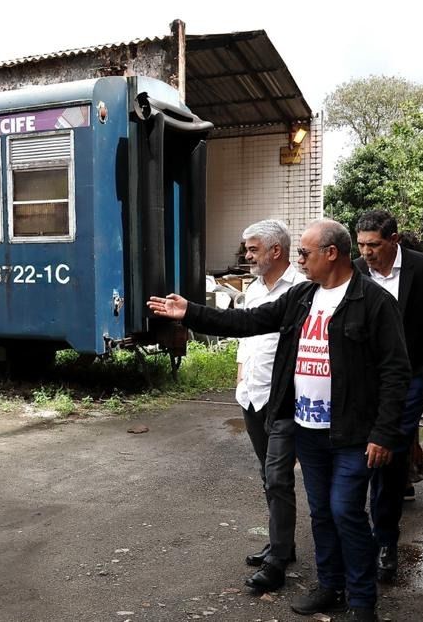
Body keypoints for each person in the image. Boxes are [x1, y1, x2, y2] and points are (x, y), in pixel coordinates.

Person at [147, 219, 409, 621]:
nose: (299, 260)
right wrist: (191, 313)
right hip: (307, 427)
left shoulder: (372, 301)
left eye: (304, 253)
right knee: (321, 512)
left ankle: (361, 602)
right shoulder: (303, 297)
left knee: (345, 511)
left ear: (331, 254)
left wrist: (385, 432)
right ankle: (330, 586)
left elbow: (395, 371)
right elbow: (248, 322)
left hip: (354, 432)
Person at [353, 211, 423, 582]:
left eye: (373, 245)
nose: (367, 253)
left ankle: (386, 542)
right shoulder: (356, 271)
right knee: (361, 453)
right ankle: (359, 535)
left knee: (388, 455)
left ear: (394, 239)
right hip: (363, 380)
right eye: (361, 245)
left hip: (409, 378)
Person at [236, 220, 307, 592]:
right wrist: (239, 377)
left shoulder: (300, 290)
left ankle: (278, 559)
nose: (247, 255)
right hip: (252, 396)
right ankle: (283, 543)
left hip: (284, 401)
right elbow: (245, 337)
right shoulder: (252, 289)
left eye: (252, 249)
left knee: (279, 476)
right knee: (268, 474)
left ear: (275, 251)